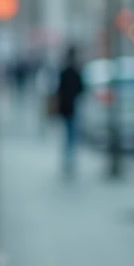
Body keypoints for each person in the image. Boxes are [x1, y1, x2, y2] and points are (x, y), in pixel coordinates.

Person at [54, 45, 85, 175]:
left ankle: (67, 158)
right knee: (71, 134)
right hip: (72, 107)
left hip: (65, 108)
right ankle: (70, 158)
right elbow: (82, 88)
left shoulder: (64, 71)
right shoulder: (76, 71)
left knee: (68, 134)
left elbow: (59, 90)